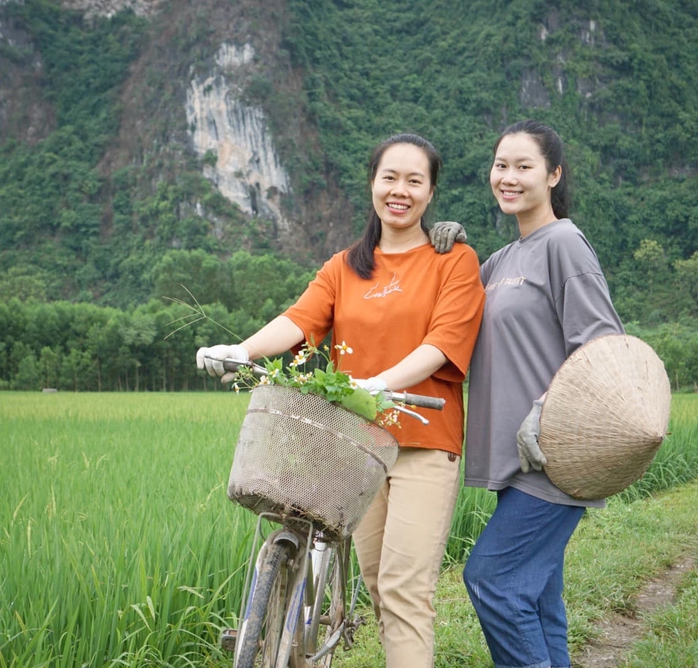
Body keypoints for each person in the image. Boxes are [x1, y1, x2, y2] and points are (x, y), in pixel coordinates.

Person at [197, 133, 484, 667]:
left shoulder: (455, 262)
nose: (400, 190)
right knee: (377, 585)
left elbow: (443, 342)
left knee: (403, 590)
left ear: (431, 192)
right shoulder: (345, 266)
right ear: (373, 184)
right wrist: (239, 348)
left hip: (423, 444)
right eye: (389, 178)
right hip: (355, 447)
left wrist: (379, 384)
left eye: (414, 180)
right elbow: (299, 320)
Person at [430, 120, 624, 668]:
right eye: (500, 165)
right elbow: (453, 301)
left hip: (552, 455)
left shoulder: (564, 242)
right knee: (538, 601)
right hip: (518, 463)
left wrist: (544, 411)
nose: (508, 177)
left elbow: (602, 342)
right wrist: (444, 244)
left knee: (493, 580)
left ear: (553, 174)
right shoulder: (503, 259)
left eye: (524, 166)